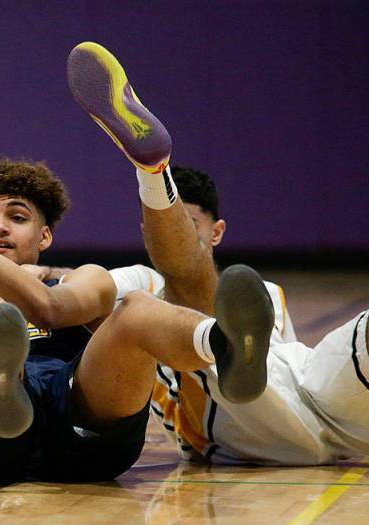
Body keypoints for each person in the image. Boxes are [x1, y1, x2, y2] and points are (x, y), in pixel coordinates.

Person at [0, 157, 273, 484]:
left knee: (133, 310)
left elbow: (49, 308)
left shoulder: (86, 280)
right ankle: (1, 389)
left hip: (85, 430)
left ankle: (225, 347)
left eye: (16, 217)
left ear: (45, 235)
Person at [68, 41, 369, 465]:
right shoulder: (140, 281)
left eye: (190, 226)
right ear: (149, 232)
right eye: (170, 224)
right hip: (225, 413)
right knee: (192, 305)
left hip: (310, 386)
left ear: (218, 232)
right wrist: (41, 279)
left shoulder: (261, 291)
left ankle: (154, 175)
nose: (183, 236)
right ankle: (154, 174)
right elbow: (82, 289)